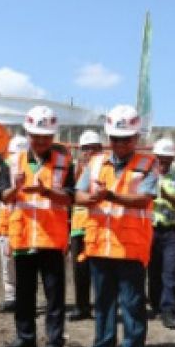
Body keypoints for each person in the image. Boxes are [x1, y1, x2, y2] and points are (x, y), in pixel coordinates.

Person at [75, 105, 157, 347]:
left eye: (126, 138)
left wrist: (110, 196)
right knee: (104, 303)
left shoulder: (148, 164)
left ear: (136, 138)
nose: (120, 144)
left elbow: (145, 198)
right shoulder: (95, 162)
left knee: (132, 305)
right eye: (115, 138)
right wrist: (91, 199)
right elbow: (78, 195)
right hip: (100, 245)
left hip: (130, 247)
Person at [0, 106, 75, 347]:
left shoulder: (65, 163)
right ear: (27, 133)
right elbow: (2, 197)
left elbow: (72, 197)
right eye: (36, 135)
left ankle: (54, 344)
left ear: (53, 137)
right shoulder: (13, 162)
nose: (41, 141)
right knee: (24, 293)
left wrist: (48, 192)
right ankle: (26, 337)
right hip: (23, 238)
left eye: (46, 136)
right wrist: (15, 187)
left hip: (52, 240)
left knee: (54, 296)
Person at [147, 137, 175, 329]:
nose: (163, 162)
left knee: (171, 271)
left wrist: (170, 198)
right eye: (160, 158)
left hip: (173, 231)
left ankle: (168, 309)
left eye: (167, 159)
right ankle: (156, 304)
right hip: (151, 229)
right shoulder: (146, 177)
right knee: (154, 271)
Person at [68, 130, 103, 321]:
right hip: (78, 228)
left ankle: (101, 307)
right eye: (85, 148)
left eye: (93, 148)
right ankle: (81, 307)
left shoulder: (104, 169)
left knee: (99, 271)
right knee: (79, 270)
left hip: (98, 227)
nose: (89, 152)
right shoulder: (74, 171)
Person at [0, 135, 28, 314]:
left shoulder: (31, 173)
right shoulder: (5, 171)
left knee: (22, 266)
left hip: (24, 228)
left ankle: (21, 298)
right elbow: (1, 196)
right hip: (7, 226)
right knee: (9, 264)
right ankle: (11, 297)